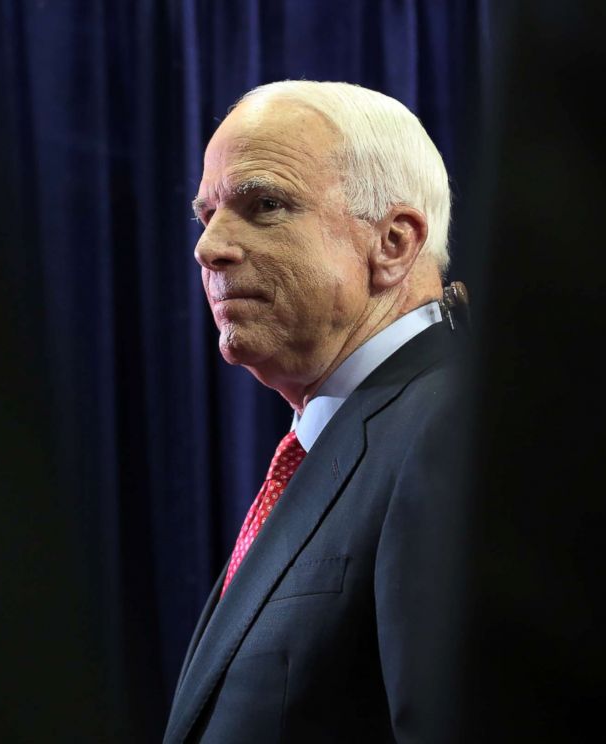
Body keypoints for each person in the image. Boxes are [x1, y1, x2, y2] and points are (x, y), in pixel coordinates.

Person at [165, 81, 468, 742]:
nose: (208, 247)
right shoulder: (341, 440)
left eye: (264, 204)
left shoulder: (451, 432)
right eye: (207, 213)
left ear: (392, 243)